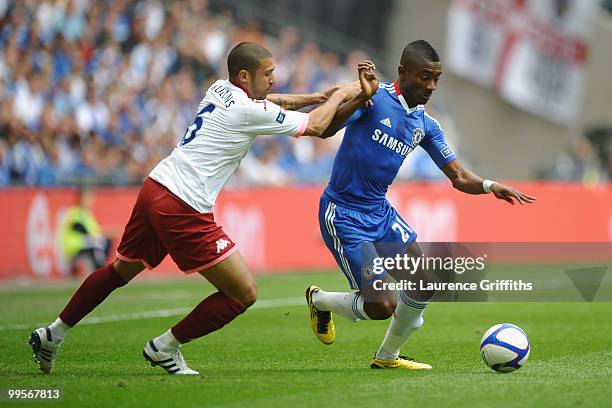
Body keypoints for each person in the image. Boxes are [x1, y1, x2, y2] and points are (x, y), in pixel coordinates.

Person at [29, 42, 378, 375]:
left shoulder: (219, 88)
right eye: (268, 72)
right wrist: (348, 95)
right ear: (244, 76)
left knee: (121, 270)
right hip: (183, 205)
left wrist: (319, 96)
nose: (274, 78)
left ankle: (53, 333)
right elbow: (317, 126)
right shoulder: (246, 110)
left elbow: (274, 100)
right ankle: (165, 347)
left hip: (156, 187)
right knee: (243, 293)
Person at [305, 40, 536, 370]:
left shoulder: (425, 125)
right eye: (424, 77)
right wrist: (360, 96)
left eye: (436, 79)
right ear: (403, 72)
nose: (430, 86)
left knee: (425, 281)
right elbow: (324, 130)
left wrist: (489, 186)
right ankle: (321, 300)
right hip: (343, 214)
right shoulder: (374, 98)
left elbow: (457, 175)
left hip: (380, 213)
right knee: (382, 305)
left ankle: (387, 357)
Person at [59, 187, 113, 276]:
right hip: (74, 246)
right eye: (88, 198)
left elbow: (95, 231)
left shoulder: (86, 214)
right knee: (97, 243)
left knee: (104, 241)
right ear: (80, 199)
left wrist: (108, 233)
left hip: (84, 243)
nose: (91, 201)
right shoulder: (74, 212)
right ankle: (98, 269)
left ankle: (100, 268)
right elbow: (80, 229)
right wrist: (102, 235)